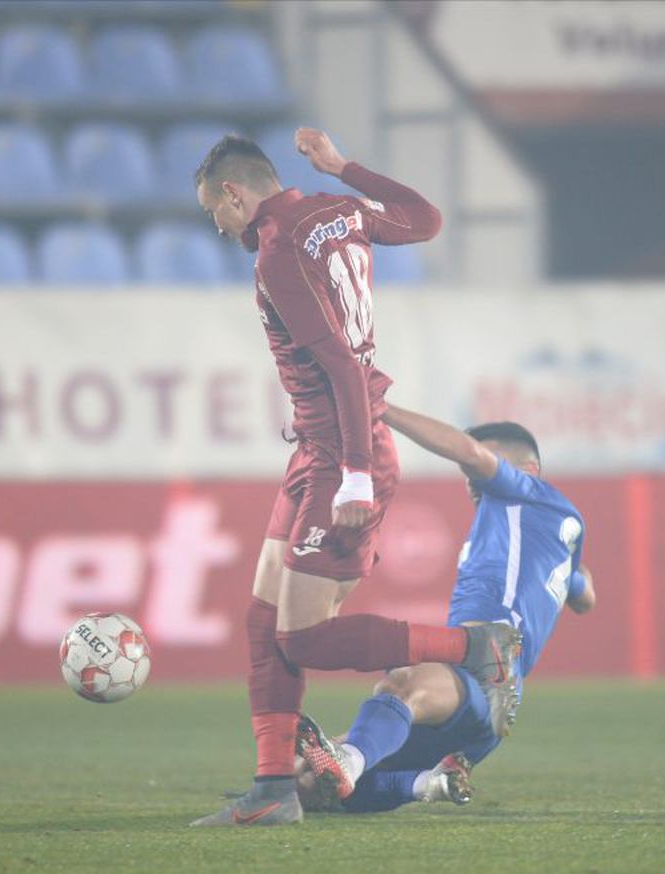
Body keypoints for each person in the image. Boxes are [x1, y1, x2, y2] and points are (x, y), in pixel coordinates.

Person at [189, 130, 521, 827]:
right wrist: (346, 169)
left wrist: (356, 480)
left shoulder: (278, 251)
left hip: (344, 451)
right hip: (320, 448)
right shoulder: (336, 209)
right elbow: (426, 219)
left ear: (233, 193)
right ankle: (274, 786)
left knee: (303, 638)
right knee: (264, 620)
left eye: (213, 210)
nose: (216, 225)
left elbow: (341, 365)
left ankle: (475, 647)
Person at [295, 405, 596, 814]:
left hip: (485, 665)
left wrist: (377, 408)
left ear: (529, 468)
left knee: (400, 683)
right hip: (486, 701)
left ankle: (349, 761)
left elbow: (468, 452)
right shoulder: (548, 530)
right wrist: (578, 583)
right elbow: (584, 594)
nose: (471, 478)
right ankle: (428, 783)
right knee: (309, 782)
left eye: (481, 463)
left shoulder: (524, 492)